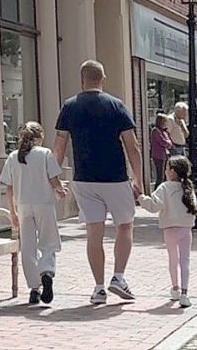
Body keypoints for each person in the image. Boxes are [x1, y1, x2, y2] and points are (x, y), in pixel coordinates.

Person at [53, 60, 143, 305]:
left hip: (84, 178)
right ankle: (119, 277)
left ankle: (99, 287)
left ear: (81, 79)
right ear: (103, 78)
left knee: (95, 232)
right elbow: (132, 146)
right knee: (125, 225)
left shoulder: (69, 107)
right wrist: (138, 178)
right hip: (115, 177)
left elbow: (59, 145)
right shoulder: (116, 105)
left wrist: (55, 177)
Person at [0, 121, 67, 305]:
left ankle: (34, 288)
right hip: (44, 204)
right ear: (40, 137)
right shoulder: (44, 154)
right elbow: (53, 178)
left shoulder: (13, 157)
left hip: (23, 205)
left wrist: (12, 212)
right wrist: (60, 190)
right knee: (48, 242)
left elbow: (9, 187)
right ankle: (46, 271)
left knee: (28, 247)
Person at [138, 155, 197, 308]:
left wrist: (141, 197)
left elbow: (154, 206)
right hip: (186, 228)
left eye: (167, 169)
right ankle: (185, 293)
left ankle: (175, 288)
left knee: (173, 260)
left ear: (172, 171)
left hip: (169, 228)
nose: (165, 172)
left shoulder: (165, 187)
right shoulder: (188, 187)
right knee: (185, 261)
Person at [150, 114, 173, 186]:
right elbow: (163, 142)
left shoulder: (164, 132)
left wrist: (168, 143)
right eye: (165, 122)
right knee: (160, 176)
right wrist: (168, 143)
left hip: (165, 155)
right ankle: (157, 191)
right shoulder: (155, 131)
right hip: (158, 156)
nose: (166, 124)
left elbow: (169, 142)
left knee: (166, 175)